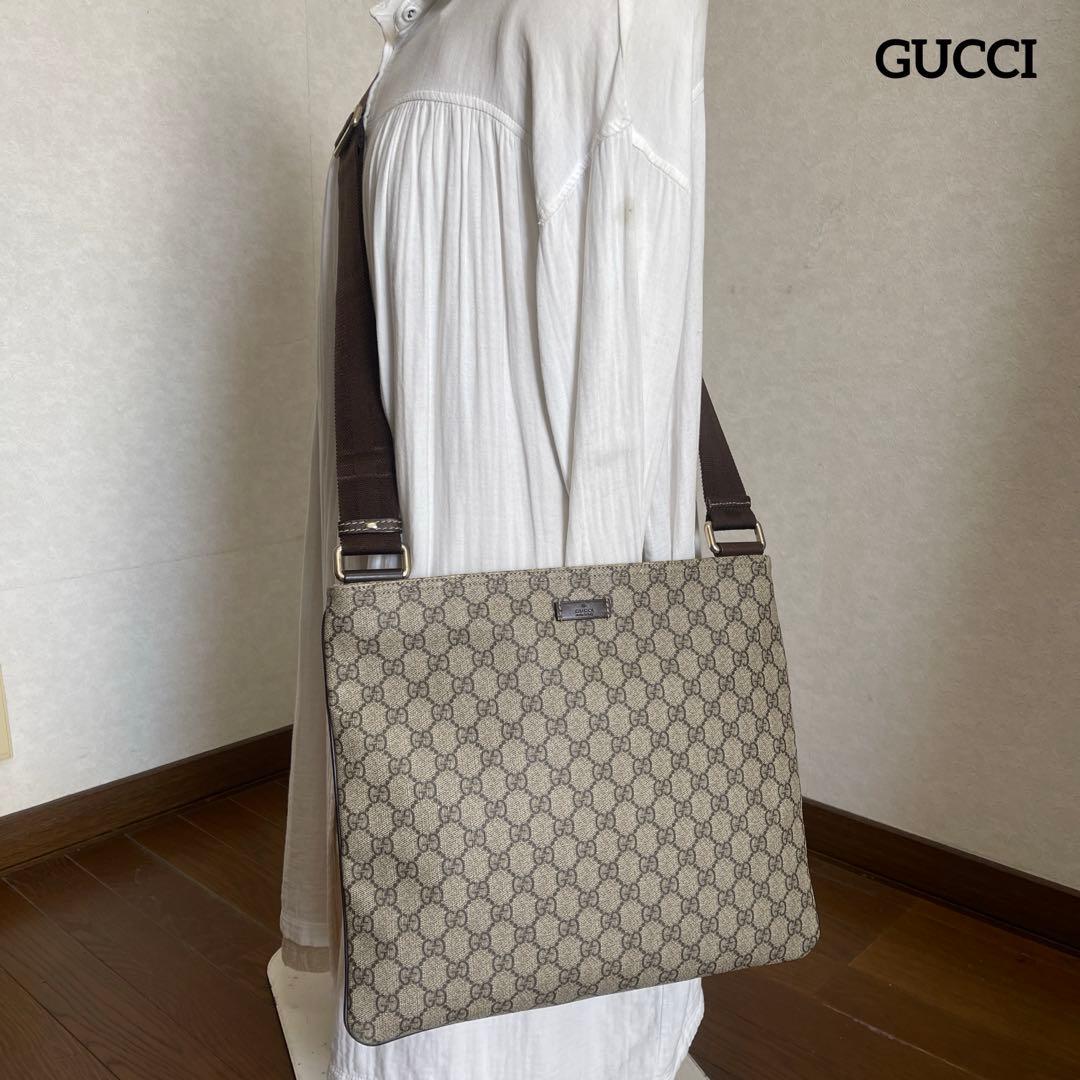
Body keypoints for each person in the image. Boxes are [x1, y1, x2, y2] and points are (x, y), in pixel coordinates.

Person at [280, 1, 712, 1076]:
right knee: (435, 891)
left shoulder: (580, 14)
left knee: (516, 909)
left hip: (522, 602)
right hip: (439, 588)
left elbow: (634, 321)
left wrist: (590, 677)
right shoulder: (427, 36)